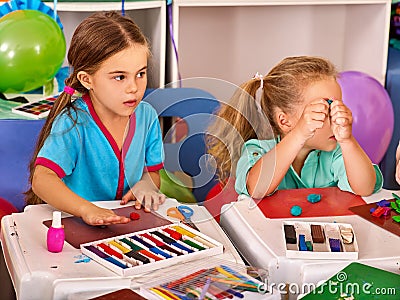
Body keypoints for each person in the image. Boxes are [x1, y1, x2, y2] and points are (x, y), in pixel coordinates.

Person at [25, 11, 165, 225]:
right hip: (74, 222)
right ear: (87, 79)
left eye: (141, 74)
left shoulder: (147, 116)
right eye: (120, 77)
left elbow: (153, 171)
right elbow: (42, 180)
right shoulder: (73, 122)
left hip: (125, 225)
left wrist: (146, 184)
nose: (134, 88)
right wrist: (86, 209)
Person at [207, 56, 383, 199]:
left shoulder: (337, 153)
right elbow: (257, 188)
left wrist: (347, 141)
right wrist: (300, 134)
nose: (336, 119)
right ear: (284, 122)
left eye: (338, 108)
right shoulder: (258, 149)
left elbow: (365, 188)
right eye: (322, 110)